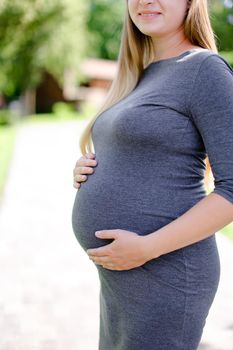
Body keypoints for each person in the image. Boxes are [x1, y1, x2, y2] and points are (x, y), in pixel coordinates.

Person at [71, 0, 233, 349]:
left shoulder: (204, 69)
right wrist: (93, 169)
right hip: (123, 276)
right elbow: (142, 152)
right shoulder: (141, 72)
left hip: (167, 272)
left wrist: (147, 248)